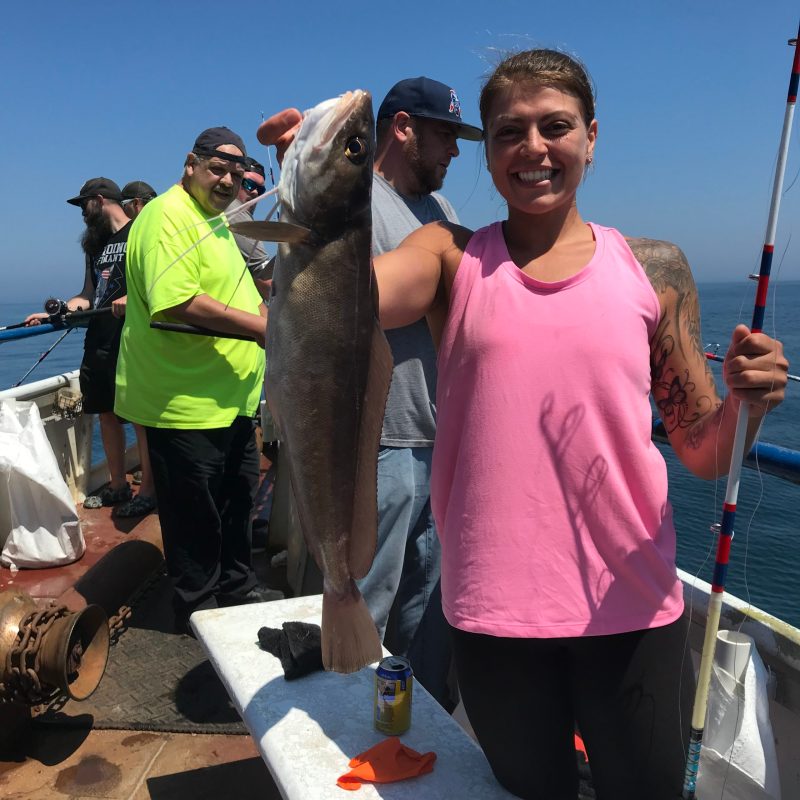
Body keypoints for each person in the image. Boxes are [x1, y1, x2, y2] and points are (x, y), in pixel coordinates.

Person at [259, 50, 788, 800]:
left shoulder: (655, 269)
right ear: (489, 145)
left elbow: (703, 450)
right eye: (510, 132)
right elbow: (339, 296)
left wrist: (748, 404)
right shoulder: (450, 258)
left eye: (556, 126)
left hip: (632, 609)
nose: (533, 149)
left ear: (592, 137)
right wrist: (307, 201)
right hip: (494, 612)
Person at [115, 126, 282, 635]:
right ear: (190, 163)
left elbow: (243, 289)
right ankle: (197, 606)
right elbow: (178, 300)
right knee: (193, 516)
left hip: (231, 400)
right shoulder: (168, 216)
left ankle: (235, 585)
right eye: (218, 170)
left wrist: (270, 313)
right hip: (182, 402)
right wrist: (263, 328)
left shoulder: (219, 223)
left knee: (236, 504)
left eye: (237, 174)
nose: (228, 181)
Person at [360, 77, 480, 709]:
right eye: (446, 136)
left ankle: (404, 728)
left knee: (426, 602)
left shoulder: (444, 215)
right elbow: (262, 250)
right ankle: (341, 736)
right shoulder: (352, 202)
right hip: (377, 440)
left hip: (439, 441)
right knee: (365, 602)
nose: (455, 153)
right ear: (403, 128)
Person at [25, 177, 156, 517]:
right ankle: (117, 485)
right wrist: (62, 311)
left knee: (140, 414)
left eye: (84, 205)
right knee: (105, 412)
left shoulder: (141, 232)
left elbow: (157, 282)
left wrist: (134, 297)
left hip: (132, 336)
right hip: (98, 337)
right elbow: (88, 294)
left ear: (99, 200)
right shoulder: (94, 245)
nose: (82, 214)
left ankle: (150, 490)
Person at [226, 159, 272, 300]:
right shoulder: (232, 208)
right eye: (249, 184)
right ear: (235, 180)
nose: (255, 193)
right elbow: (265, 278)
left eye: (261, 189)